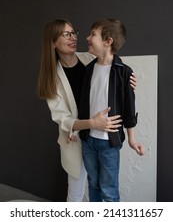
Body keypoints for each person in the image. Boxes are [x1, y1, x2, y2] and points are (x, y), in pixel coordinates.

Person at [37, 18, 137, 202]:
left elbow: (114, 69)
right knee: (77, 193)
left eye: (73, 32)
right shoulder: (51, 78)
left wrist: (128, 81)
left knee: (105, 187)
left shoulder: (90, 59)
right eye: (66, 34)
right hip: (74, 138)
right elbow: (63, 118)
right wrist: (89, 123)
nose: (73, 37)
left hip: (102, 137)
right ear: (53, 42)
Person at [79, 18, 144, 202]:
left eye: (93, 34)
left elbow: (129, 109)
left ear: (108, 42)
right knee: (93, 184)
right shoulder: (88, 70)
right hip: (88, 141)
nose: (88, 37)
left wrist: (132, 139)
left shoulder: (124, 72)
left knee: (109, 190)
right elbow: (83, 103)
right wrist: (75, 130)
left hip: (109, 144)